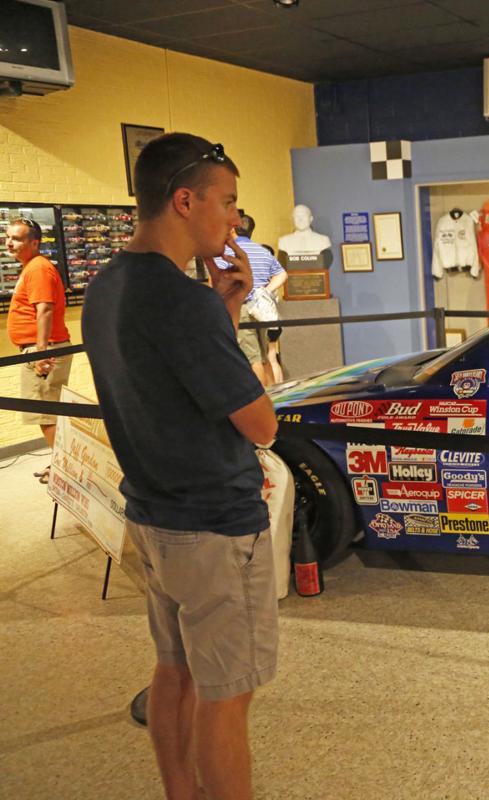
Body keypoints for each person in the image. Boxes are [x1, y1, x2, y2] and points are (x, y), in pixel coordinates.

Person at [81, 133, 279, 800]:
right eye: (227, 203)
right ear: (185, 199)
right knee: (228, 696)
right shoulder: (180, 300)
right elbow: (259, 421)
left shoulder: (108, 284)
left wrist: (224, 302)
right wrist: (219, 314)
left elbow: (177, 378)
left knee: (175, 670)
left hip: (154, 513)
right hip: (216, 525)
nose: (235, 220)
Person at [5, 217, 73, 479]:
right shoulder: (32, 267)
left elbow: (44, 309)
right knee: (51, 414)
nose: (10, 243)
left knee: (47, 416)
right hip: (40, 348)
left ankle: (66, 472)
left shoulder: (38, 269)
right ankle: (62, 463)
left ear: (34, 243)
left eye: (17, 238)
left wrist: (42, 353)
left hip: (43, 350)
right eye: (8, 237)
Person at [213, 213, 287, 386]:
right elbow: (282, 273)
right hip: (261, 309)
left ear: (233, 228)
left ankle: (260, 398)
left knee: (253, 358)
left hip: (243, 308)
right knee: (266, 356)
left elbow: (220, 281)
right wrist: (265, 291)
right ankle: (272, 399)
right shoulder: (262, 251)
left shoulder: (228, 253)